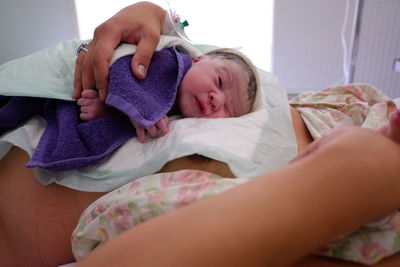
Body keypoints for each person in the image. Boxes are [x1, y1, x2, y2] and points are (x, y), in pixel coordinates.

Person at [0, 2, 399, 267]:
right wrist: (153, 13)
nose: (215, 101)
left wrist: (340, 184)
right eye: (219, 82)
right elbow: (156, 53)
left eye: (228, 106)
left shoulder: (367, 225)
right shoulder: (357, 107)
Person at [77, 47, 258, 143]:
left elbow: (137, 123)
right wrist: (119, 99)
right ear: (198, 60)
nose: (217, 100)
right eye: (219, 80)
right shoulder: (170, 63)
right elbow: (124, 67)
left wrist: (109, 111)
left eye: (227, 110)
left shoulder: (179, 118)